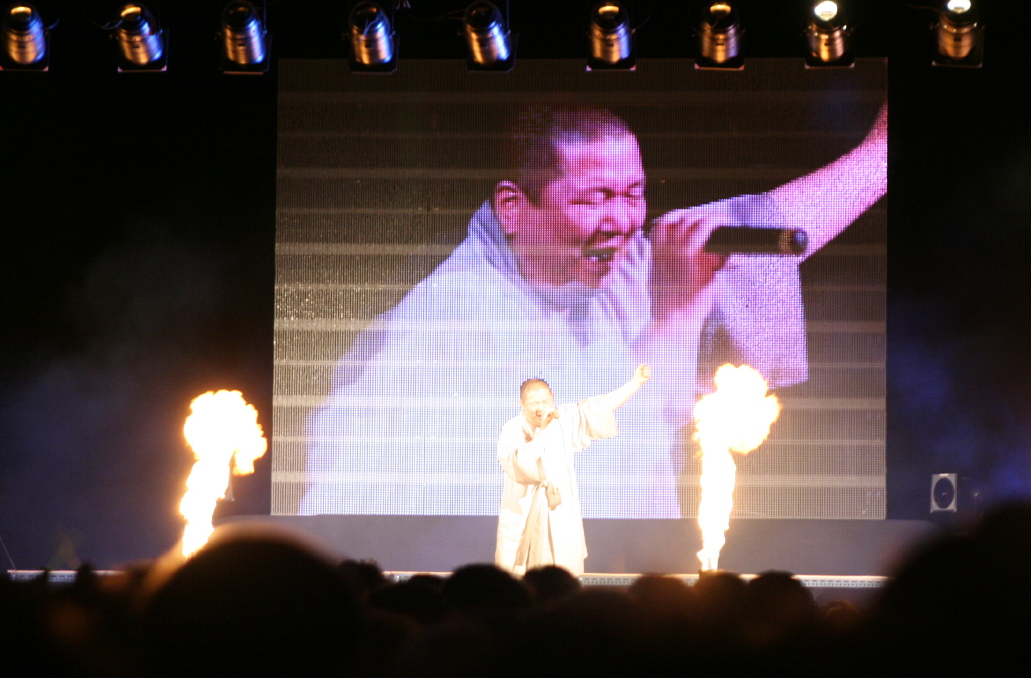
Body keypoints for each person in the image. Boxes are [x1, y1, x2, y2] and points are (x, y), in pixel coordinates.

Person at [300, 101, 887, 518]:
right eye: (594, 198)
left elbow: (766, 222)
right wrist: (677, 317)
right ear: (513, 207)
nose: (623, 221)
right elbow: (604, 476)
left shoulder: (603, 261)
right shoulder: (447, 326)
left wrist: (879, 155)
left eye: (634, 194)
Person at [496, 365, 651, 576]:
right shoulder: (513, 428)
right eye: (533, 403)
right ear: (521, 404)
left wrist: (635, 383)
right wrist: (542, 432)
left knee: (562, 572)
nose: (540, 408)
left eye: (544, 401)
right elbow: (519, 464)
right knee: (520, 577)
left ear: (552, 399)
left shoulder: (563, 419)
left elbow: (601, 407)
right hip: (523, 512)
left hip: (560, 510)